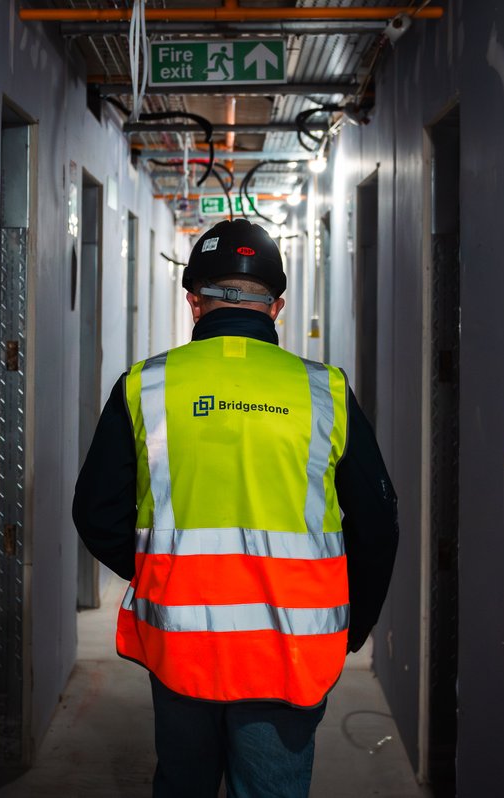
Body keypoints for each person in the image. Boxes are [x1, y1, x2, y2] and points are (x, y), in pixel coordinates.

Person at [72, 218, 398, 798]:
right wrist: (355, 623)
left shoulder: (145, 386)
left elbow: (96, 512)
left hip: (181, 643)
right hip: (289, 649)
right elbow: (377, 523)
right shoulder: (324, 390)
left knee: (184, 785)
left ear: (194, 302)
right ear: (277, 307)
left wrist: (162, 573)